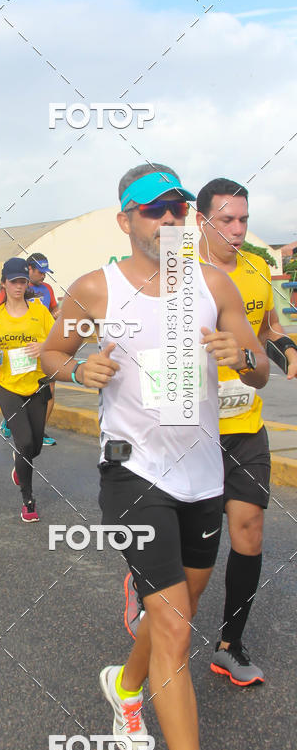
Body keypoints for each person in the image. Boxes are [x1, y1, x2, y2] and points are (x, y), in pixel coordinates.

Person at [41, 164, 269, 750]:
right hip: (132, 472)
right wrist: (78, 370)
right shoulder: (97, 290)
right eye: (153, 209)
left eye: (177, 207)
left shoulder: (213, 284)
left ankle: (125, 682)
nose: (168, 218)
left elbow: (259, 367)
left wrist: (240, 355)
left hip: (201, 473)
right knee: (173, 628)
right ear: (126, 221)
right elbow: (51, 352)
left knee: (181, 609)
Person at [124, 178, 297, 687]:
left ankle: (230, 645)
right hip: (184, 426)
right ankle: (142, 581)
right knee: (179, 547)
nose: (238, 230)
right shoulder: (173, 271)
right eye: (227, 220)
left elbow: (267, 331)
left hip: (242, 425)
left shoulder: (256, 273)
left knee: (248, 530)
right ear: (201, 221)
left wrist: (279, 352)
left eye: (244, 219)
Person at [0, 258, 54, 522]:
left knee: (34, 445)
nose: (19, 286)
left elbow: (57, 341)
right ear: (4, 283)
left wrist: (44, 347)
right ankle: (28, 499)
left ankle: (20, 464)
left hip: (36, 383)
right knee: (24, 442)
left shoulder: (39, 312)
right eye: (13, 282)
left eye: (22, 281)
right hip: (8, 386)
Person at [0, 252, 59, 446]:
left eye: (45, 272)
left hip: (43, 348)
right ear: (29, 269)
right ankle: (12, 421)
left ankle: (38, 432)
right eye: (40, 272)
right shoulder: (15, 287)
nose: (43, 276)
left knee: (48, 392)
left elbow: (53, 310)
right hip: (19, 350)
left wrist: (61, 313)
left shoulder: (47, 288)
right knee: (22, 391)